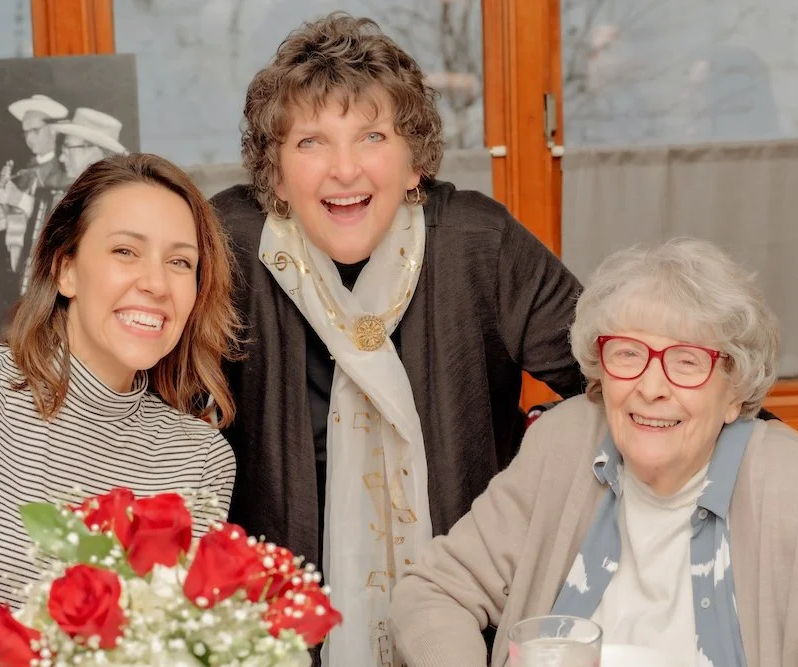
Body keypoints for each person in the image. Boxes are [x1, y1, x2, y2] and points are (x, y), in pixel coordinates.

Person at [211, 12, 584, 666]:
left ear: (415, 164)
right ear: (275, 176)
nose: (344, 169)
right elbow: (146, 392)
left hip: (470, 629)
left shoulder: (477, 242)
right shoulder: (229, 243)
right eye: (311, 141)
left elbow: (617, 369)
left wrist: (771, 449)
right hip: (271, 639)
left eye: (372, 136)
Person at [389, 239, 798, 667]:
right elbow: (433, 592)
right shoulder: (565, 443)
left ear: (734, 392)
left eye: (687, 362)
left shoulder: (787, 480)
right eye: (628, 354)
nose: (651, 388)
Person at [0, 153, 241, 666]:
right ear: (66, 269)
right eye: (126, 251)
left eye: (180, 262)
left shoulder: (201, 458)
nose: (156, 283)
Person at [9, 106, 127, 295]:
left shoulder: (119, 203)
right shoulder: (75, 195)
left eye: (68, 149)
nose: (62, 157)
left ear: (94, 152)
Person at [0, 94, 69, 277]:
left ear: (53, 130)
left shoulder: (66, 172)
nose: (29, 138)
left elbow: (60, 222)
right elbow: (20, 215)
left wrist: (17, 199)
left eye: (35, 130)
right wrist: (2, 213)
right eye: (25, 132)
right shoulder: (25, 171)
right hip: (20, 266)